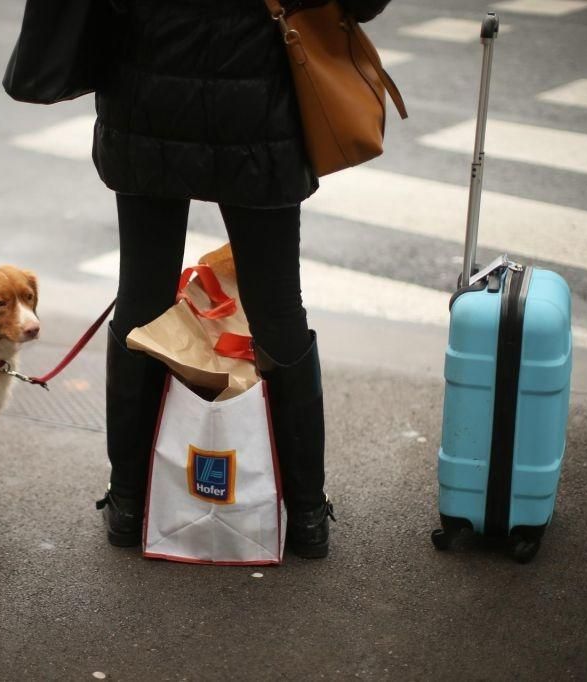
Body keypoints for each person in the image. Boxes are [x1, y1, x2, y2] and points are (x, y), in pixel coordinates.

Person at [91, 0, 390, 558]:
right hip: (258, 101)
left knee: (142, 296)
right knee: (277, 307)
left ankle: (129, 504)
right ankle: (305, 516)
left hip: (144, 87)